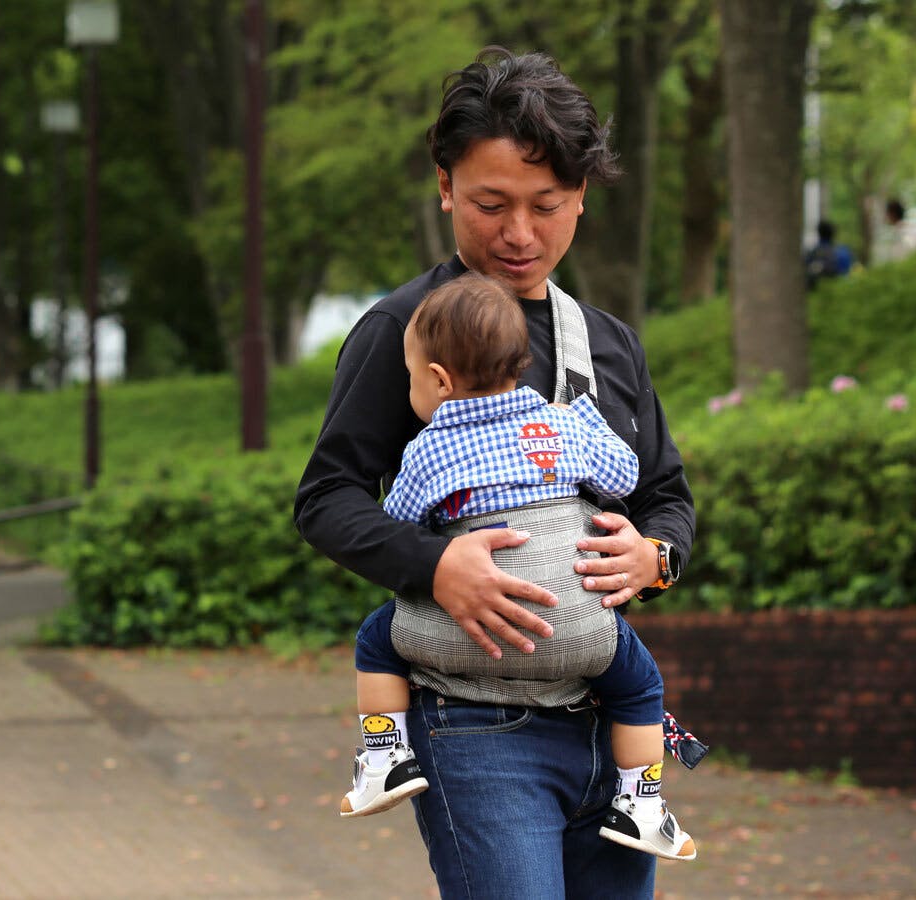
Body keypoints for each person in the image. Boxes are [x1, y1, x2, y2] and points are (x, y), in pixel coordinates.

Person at [294, 46, 696, 898]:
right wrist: (435, 564)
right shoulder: (405, 332)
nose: (519, 234)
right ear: (445, 187)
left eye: (545, 206)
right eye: (490, 204)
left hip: (613, 720)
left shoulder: (610, 344)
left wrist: (653, 559)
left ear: (580, 196)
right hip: (477, 727)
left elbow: (666, 497)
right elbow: (327, 498)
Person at [339, 274, 697, 861]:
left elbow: (398, 522)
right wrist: (585, 425)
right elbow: (625, 476)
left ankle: (384, 758)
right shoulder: (561, 424)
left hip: (464, 636)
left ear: (439, 380)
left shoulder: (428, 448)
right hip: (583, 624)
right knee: (641, 686)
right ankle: (642, 805)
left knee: (376, 641)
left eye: (411, 378)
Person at [804, 220, 854, 289]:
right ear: (834, 233)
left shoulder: (813, 253)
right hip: (842, 289)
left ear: (819, 233)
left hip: (819, 290)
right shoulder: (844, 252)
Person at [877, 198, 916, 264]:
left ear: (892, 214)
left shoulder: (897, 232)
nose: (885, 216)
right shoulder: (915, 226)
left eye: (887, 214)